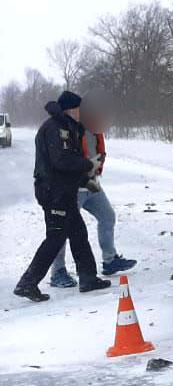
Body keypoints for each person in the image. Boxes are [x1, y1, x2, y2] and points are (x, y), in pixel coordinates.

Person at [13, 91, 111, 302]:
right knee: (56, 237)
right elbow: (61, 161)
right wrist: (88, 164)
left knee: (78, 233)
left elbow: (67, 165)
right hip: (54, 193)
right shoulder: (56, 128)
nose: (81, 113)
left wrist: (86, 181)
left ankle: (88, 278)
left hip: (64, 191)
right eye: (79, 109)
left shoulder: (68, 127)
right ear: (71, 109)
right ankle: (27, 283)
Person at [48, 96, 136, 287]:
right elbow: (64, 158)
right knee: (63, 228)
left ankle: (110, 260)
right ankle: (58, 272)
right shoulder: (69, 128)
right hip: (73, 187)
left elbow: (97, 151)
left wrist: (96, 165)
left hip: (91, 183)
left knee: (107, 216)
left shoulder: (94, 128)